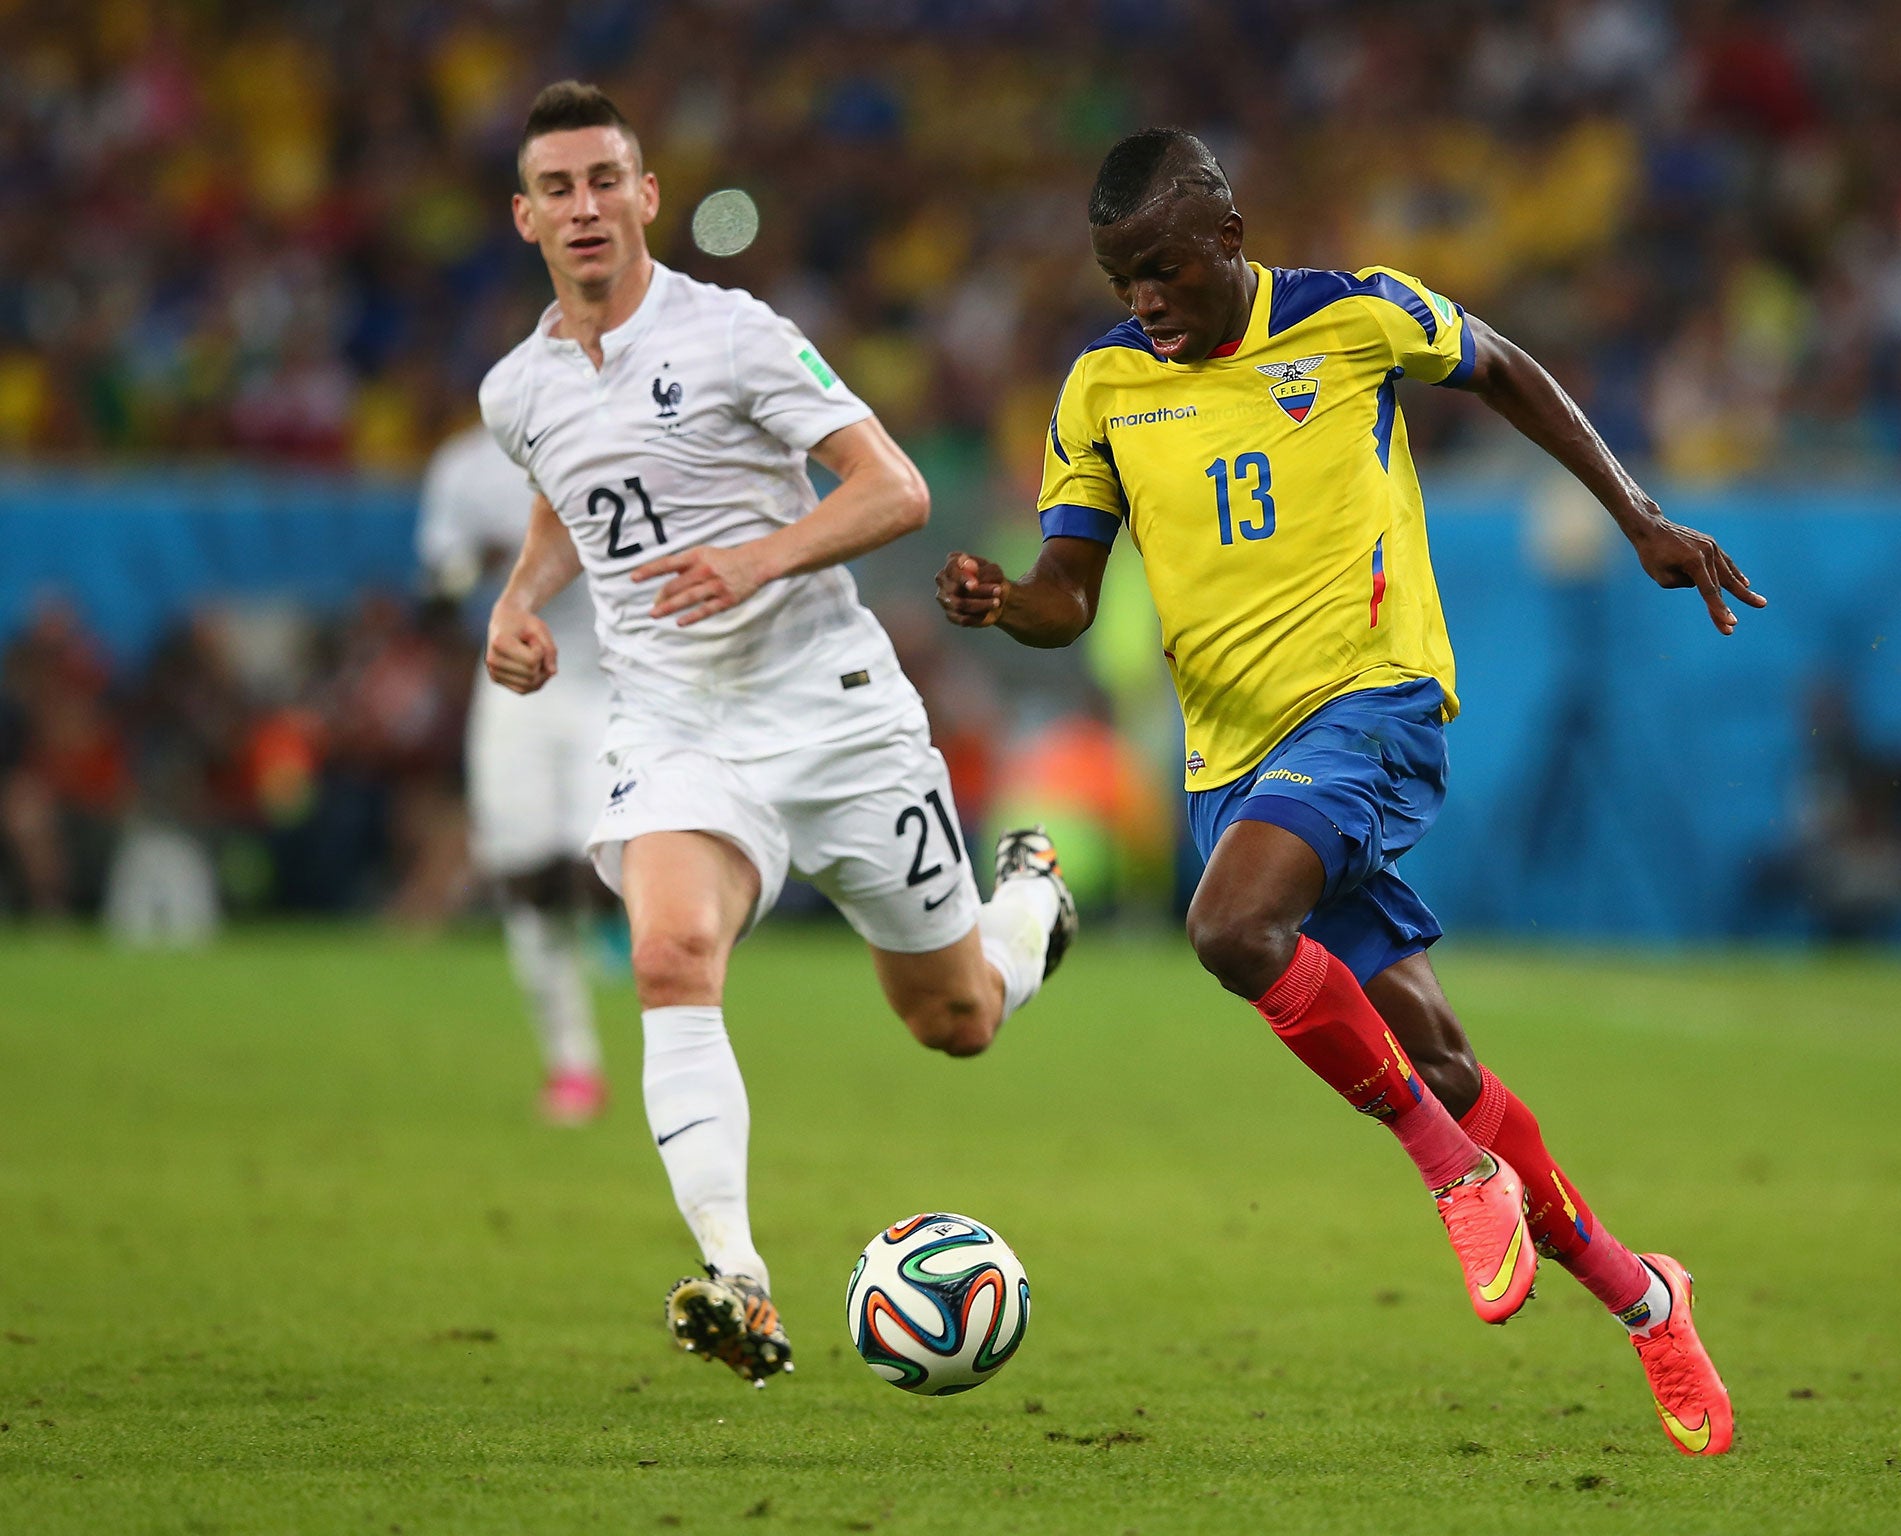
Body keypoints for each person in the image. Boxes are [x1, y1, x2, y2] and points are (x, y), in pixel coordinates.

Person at [937, 129, 1763, 1456]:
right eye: (1118, 278)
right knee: (1437, 1060)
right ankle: (1642, 1294)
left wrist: (1637, 513)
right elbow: (1067, 593)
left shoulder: (1353, 315)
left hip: (1371, 707)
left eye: (1159, 268)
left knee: (1228, 931)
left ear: (1224, 233)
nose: (1141, 299)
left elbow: (1510, 374)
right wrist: (1003, 605)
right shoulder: (1099, 387)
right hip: (1234, 763)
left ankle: (1453, 1175)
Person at [478, 82, 1076, 1388]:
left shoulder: (738, 336)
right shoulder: (517, 390)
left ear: (646, 196)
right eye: (557, 189)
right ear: (526, 218)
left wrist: (760, 557)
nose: (584, 207)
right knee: (669, 952)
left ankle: (1029, 907)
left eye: (605, 181)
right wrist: (521, 605)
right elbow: (562, 499)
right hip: (678, 723)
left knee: (958, 1017)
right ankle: (735, 1276)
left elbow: (895, 488)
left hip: (833, 713)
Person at [418, 416, 612, 1124]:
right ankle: (573, 1063)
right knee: (528, 874)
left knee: (607, 868)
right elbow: (437, 589)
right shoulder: (468, 464)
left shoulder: (624, 434)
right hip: (517, 683)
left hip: (612, 679)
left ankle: (636, 958)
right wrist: (479, 567)